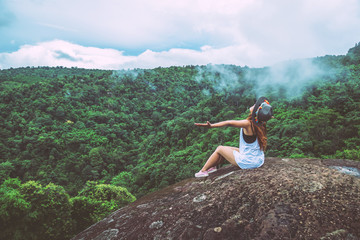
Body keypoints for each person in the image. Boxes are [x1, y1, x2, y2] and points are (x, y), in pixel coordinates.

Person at [194, 96, 273, 177]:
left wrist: (211, 126)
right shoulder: (261, 123)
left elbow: (229, 123)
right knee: (230, 149)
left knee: (220, 148)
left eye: (256, 106)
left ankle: (203, 171)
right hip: (258, 159)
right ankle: (212, 166)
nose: (254, 105)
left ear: (256, 112)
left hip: (249, 162)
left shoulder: (248, 124)